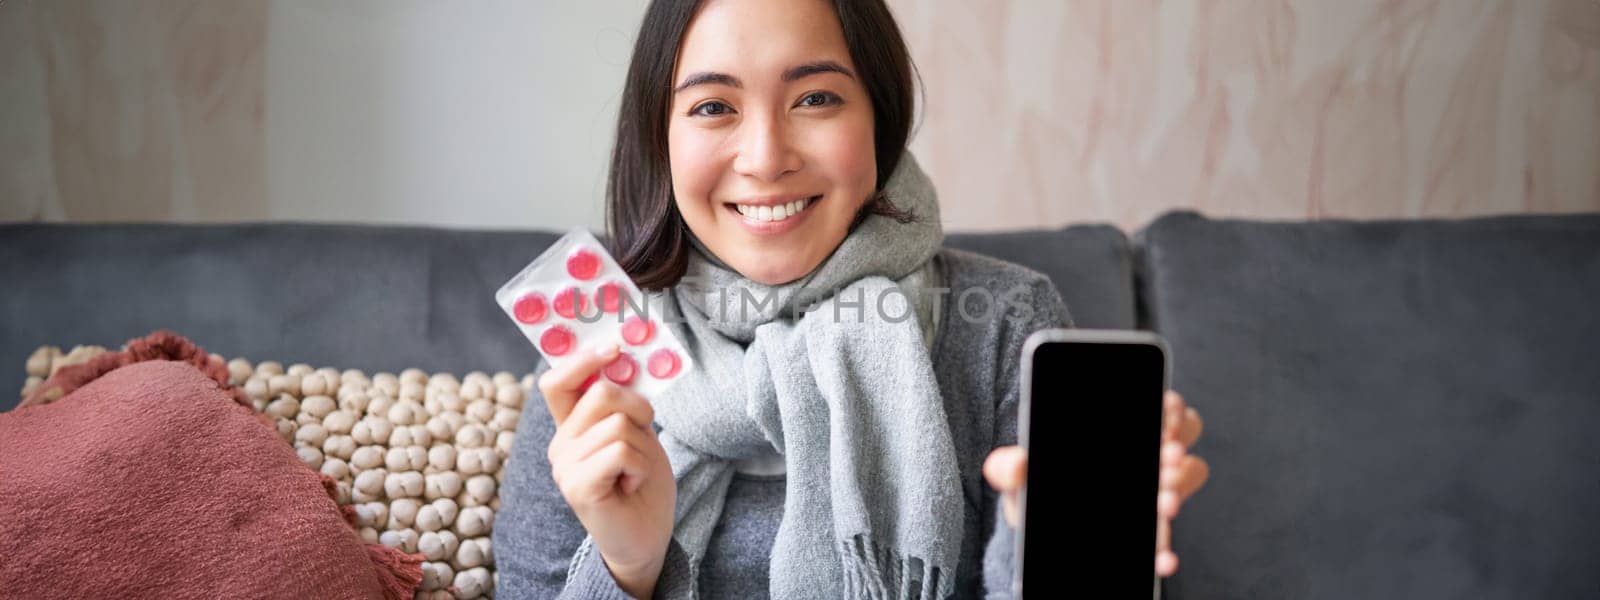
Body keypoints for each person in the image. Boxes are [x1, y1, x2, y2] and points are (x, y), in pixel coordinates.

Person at [494, 0, 1210, 597]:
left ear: (880, 116)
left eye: (815, 98)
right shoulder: (597, 359)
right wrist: (629, 566)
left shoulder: (1001, 323)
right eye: (714, 106)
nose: (767, 157)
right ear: (662, 139)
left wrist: (1045, 556)